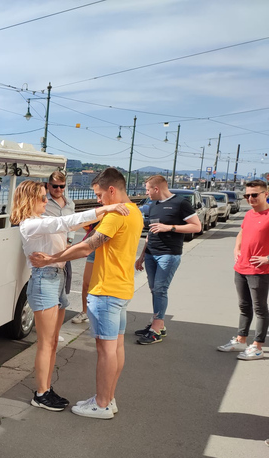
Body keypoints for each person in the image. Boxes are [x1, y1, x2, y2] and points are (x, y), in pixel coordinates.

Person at [30, 167, 143, 419]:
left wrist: (51, 258)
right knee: (117, 347)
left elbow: (86, 248)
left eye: (100, 195)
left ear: (112, 191)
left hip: (106, 290)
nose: (99, 200)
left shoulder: (115, 215)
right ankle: (109, 398)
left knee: (105, 350)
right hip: (123, 288)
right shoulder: (135, 212)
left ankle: (101, 404)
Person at [11, 180, 129, 412]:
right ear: (29, 200)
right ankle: (41, 393)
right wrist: (105, 209)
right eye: (43, 198)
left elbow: (70, 226)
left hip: (58, 277)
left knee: (54, 342)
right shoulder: (29, 224)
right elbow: (65, 221)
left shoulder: (43, 221)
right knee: (46, 343)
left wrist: (103, 214)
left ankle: (46, 388)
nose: (47, 201)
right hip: (44, 280)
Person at [133, 175, 201, 344]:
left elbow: (196, 226)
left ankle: (156, 329)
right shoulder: (153, 205)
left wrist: (169, 227)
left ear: (156, 189)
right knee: (154, 289)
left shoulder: (181, 203)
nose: (146, 192)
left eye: (148, 189)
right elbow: (151, 232)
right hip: (151, 254)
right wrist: (141, 255)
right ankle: (158, 324)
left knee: (160, 289)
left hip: (168, 254)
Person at [217, 180, 269, 360]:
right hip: (241, 268)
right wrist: (236, 248)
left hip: (259, 271)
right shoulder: (249, 215)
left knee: (260, 308)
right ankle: (241, 340)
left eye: (255, 195)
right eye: (247, 195)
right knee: (244, 306)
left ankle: (258, 346)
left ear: (265, 194)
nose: (250, 198)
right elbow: (242, 232)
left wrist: (267, 258)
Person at [43, 171, 76, 339]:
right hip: (48, 252)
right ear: (48, 185)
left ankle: (55, 332)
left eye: (62, 186)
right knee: (49, 294)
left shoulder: (70, 204)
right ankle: (48, 332)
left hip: (64, 252)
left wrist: (70, 241)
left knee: (63, 292)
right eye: (55, 186)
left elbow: (73, 225)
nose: (58, 189)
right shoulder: (43, 202)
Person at [72, 223, 97, 324]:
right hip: (93, 250)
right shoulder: (101, 211)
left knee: (100, 285)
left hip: (107, 253)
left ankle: (96, 314)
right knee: (86, 283)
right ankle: (84, 312)